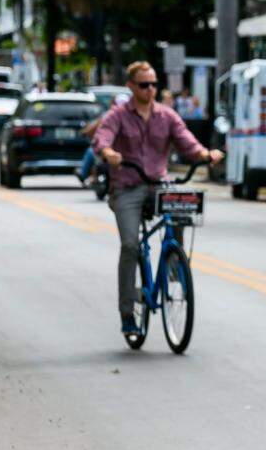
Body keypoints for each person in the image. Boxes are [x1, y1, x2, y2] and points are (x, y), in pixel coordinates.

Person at [92, 61, 224, 335]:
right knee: (130, 246)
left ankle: (174, 262)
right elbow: (102, 138)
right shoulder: (118, 115)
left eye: (153, 84)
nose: (150, 89)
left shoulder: (167, 116)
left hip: (158, 186)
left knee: (183, 207)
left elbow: (186, 140)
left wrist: (204, 154)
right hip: (127, 187)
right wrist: (109, 153)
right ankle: (128, 312)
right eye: (144, 84)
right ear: (131, 86)